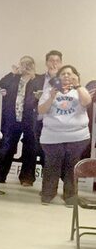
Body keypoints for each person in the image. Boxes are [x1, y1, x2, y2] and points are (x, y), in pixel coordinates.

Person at [36, 64, 91, 205]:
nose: (66, 76)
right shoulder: (49, 90)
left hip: (77, 136)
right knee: (51, 166)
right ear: (58, 78)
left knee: (72, 166)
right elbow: (41, 110)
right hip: (52, 136)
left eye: (70, 73)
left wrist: (78, 86)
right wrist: (51, 97)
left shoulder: (81, 90)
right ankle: (48, 195)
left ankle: (70, 197)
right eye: (63, 74)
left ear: (75, 76)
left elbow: (87, 102)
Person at [0, 56, 39, 191]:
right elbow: (0, 85)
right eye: (23, 63)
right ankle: (0, 175)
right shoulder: (13, 77)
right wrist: (14, 73)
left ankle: (27, 177)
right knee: (7, 146)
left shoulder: (37, 79)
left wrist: (32, 76)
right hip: (12, 117)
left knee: (30, 147)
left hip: (30, 118)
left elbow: (41, 94)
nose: (26, 66)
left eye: (29, 64)